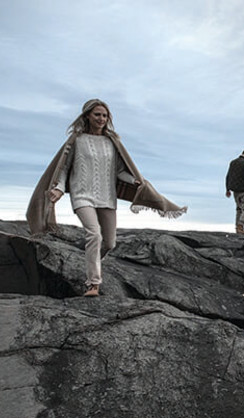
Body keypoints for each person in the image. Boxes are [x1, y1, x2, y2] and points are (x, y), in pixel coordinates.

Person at [27, 99, 187, 297]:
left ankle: (91, 262)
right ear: (87, 116)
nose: (101, 119)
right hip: (82, 195)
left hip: (107, 197)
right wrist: (59, 189)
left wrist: (134, 180)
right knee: (94, 234)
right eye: (97, 115)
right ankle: (93, 283)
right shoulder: (76, 140)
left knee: (110, 243)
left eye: (104, 115)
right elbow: (63, 168)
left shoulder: (112, 142)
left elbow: (119, 171)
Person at [225, 147, 244, 234]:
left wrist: (227, 189)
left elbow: (228, 176)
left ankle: (238, 228)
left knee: (239, 209)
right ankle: (240, 225)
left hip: (235, 190)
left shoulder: (233, 162)